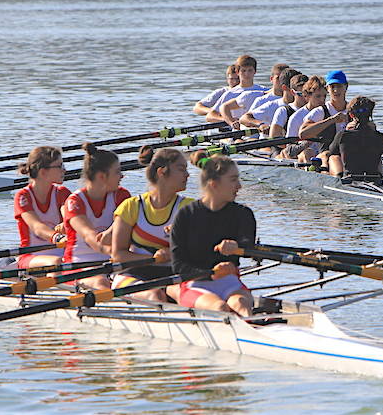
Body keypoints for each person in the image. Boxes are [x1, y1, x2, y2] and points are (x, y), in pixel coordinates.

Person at [170, 150, 255, 316]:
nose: (239, 186)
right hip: (194, 283)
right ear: (214, 184)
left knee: (241, 305)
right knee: (219, 308)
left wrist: (237, 247)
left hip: (229, 283)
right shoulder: (186, 215)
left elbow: (249, 247)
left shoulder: (243, 214)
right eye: (233, 180)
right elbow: (178, 266)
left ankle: (252, 326)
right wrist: (212, 274)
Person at [111, 147, 194, 301]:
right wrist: (154, 258)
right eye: (181, 169)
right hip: (132, 274)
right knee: (155, 295)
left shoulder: (189, 208)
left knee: (182, 294)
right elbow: (118, 255)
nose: (187, 175)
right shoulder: (131, 206)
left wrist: (175, 254)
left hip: (173, 275)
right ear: (162, 172)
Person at [63, 143, 131, 290]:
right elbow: (89, 236)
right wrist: (115, 253)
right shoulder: (75, 202)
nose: (122, 176)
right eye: (117, 172)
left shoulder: (122, 196)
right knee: (101, 283)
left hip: (113, 264)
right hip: (79, 264)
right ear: (102, 176)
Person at [13, 146, 70, 269]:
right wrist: (57, 237)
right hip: (31, 256)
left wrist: (67, 222)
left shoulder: (62, 193)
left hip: (63, 255)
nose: (64, 170)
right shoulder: (23, 196)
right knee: (56, 261)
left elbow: (67, 214)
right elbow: (37, 227)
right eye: (59, 166)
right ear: (43, 172)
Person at [328, 96, 383, 185]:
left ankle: (338, 179)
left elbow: (332, 151)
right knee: (378, 157)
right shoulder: (380, 137)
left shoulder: (343, 135)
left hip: (351, 179)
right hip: (374, 180)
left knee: (333, 157)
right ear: (370, 114)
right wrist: (373, 131)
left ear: (351, 115)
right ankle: (377, 178)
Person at [219, 63, 289, 129]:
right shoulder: (259, 99)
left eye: (284, 79)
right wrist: (260, 124)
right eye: (278, 78)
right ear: (271, 79)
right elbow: (244, 120)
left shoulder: (294, 100)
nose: (281, 82)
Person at [299, 69, 350, 155]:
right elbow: (303, 134)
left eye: (339, 86)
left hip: (349, 154)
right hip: (325, 155)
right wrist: (332, 120)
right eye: (332, 87)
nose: (336, 90)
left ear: (346, 87)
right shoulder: (320, 111)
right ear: (327, 89)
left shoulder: (352, 109)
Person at [206, 55, 266, 125]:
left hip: (260, 127)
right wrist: (229, 120)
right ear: (237, 72)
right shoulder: (230, 93)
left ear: (255, 71)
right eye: (243, 71)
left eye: (250, 70)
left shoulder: (264, 90)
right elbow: (210, 116)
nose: (247, 74)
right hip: (237, 129)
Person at [240, 67, 300, 135]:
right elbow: (244, 119)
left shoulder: (303, 106)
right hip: (269, 140)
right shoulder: (272, 105)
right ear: (285, 87)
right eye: (295, 89)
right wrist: (261, 124)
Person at [282, 75, 328, 162]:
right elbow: (289, 150)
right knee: (308, 152)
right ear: (307, 96)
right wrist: (306, 142)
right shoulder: (296, 118)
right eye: (318, 96)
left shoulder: (329, 112)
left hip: (324, 154)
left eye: (324, 96)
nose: (322, 100)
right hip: (304, 156)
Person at [268, 73, 308, 140]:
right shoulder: (283, 111)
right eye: (301, 94)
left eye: (308, 93)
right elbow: (274, 136)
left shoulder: (316, 110)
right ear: (292, 92)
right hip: (288, 145)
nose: (305, 97)